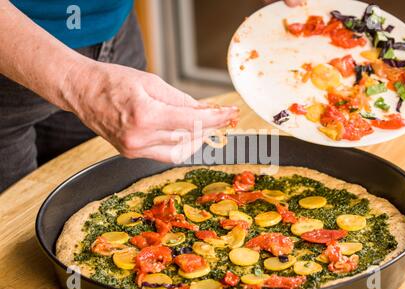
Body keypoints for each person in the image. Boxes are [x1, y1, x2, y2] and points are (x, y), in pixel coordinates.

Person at [0, 0, 306, 192]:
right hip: (12, 52)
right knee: (12, 242)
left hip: (115, 33)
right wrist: (81, 84)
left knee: (111, 193)